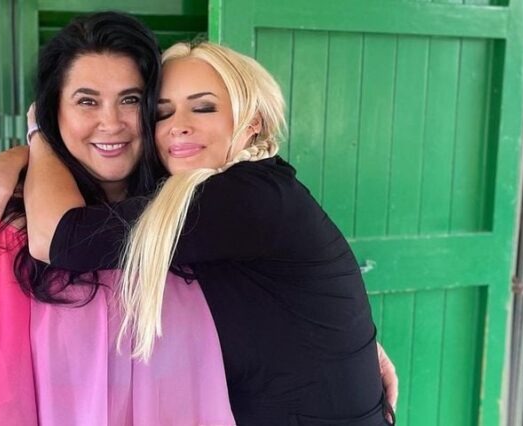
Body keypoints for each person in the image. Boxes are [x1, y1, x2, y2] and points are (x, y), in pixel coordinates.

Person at [20, 41, 393, 425]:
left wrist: (40, 135)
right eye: (162, 113)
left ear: (252, 122)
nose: (178, 125)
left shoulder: (245, 197)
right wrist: (12, 162)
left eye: (203, 107)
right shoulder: (248, 186)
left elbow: (56, 238)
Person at [0, 12, 234, 425]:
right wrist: (34, 143)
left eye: (131, 100)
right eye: (86, 101)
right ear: (53, 113)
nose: (111, 123)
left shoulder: (197, 218)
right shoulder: (11, 239)